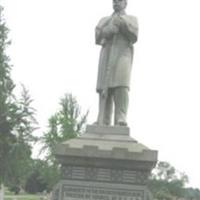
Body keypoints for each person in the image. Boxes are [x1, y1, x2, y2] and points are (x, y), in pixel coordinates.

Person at [95, 0, 138, 126]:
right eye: (114, 1)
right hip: (107, 53)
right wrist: (108, 30)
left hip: (122, 53)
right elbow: (97, 36)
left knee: (121, 85)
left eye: (119, 1)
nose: (116, 3)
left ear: (125, 3)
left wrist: (122, 25)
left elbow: (134, 35)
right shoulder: (105, 20)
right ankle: (103, 119)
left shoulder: (131, 19)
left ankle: (121, 117)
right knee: (104, 87)